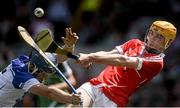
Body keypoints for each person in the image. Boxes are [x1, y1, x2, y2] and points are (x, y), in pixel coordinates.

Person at [70, 20, 177, 107]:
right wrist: (89, 58)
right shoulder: (134, 43)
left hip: (113, 100)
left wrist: (90, 57)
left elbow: (122, 61)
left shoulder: (157, 62)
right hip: (95, 85)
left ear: (167, 43)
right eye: (152, 33)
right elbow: (109, 54)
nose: (153, 37)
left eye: (159, 37)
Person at [0, 28, 81, 107]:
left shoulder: (28, 62)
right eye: (43, 74)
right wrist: (70, 99)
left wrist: (69, 45)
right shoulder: (24, 77)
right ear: (34, 68)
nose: (44, 78)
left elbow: (61, 57)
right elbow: (49, 92)